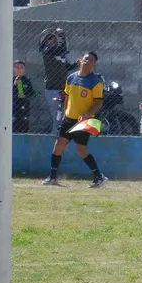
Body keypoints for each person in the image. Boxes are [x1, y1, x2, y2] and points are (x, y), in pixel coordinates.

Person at [42, 52, 108, 188]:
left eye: (91, 60)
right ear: (80, 60)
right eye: (86, 59)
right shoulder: (71, 78)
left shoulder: (95, 82)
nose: (87, 61)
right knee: (59, 145)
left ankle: (99, 177)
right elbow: (67, 97)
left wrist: (87, 114)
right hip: (69, 119)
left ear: (94, 65)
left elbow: (98, 103)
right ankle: (52, 177)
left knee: (80, 148)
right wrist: (65, 112)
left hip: (84, 121)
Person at [39, 27, 76, 129]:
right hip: (53, 88)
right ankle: (55, 135)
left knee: (64, 114)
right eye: (49, 39)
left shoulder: (60, 55)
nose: (52, 41)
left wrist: (77, 64)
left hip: (63, 88)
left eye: (54, 39)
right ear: (45, 42)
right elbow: (61, 48)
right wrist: (62, 36)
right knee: (56, 116)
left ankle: (62, 134)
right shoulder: (47, 52)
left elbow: (66, 67)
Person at [12, 60, 37, 133]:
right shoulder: (11, 79)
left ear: (24, 69)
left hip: (25, 106)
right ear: (14, 69)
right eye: (17, 67)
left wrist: (25, 95)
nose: (19, 69)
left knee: (24, 124)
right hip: (14, 106)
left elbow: (32, 93)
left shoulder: (27, 80)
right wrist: (15, 85)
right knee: (14, 124)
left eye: (21, 67)